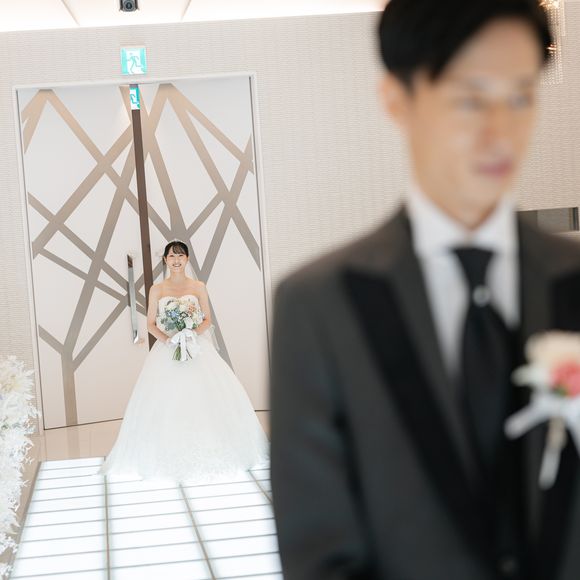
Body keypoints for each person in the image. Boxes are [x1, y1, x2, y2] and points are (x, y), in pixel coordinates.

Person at [270, 1, 580, 579]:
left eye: (520, 97)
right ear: (397, 98)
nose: (501, 131)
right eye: (470, 99)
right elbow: (320, 556)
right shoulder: (317, 309)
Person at [101, 240, 269, 483]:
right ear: (165, 260)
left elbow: (207, 319)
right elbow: (151, 323)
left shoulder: (198, 286)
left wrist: (190, 334)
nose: (176, 260)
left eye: (180, 256)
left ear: (187, 259)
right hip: (167, 349)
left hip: (196, 347)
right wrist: (170, 340)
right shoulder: (157, 289)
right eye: (171, 256)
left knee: (207, 396)